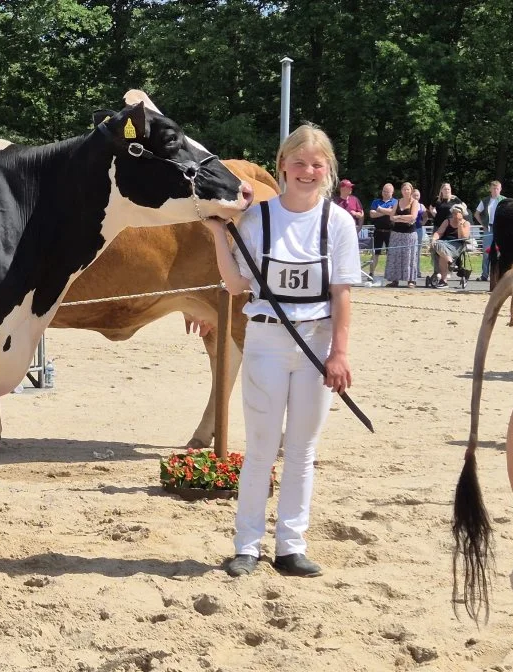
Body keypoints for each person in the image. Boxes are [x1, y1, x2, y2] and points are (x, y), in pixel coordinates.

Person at [201, 124, 359, 578]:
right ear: (282, 166)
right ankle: (247, 545)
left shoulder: (338, 222)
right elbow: (235, 285)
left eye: (316, 163)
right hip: (266, 340)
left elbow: (342, 294)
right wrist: (218, 234)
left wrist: (340, 354)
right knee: (261, 449)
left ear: (327, 169)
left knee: (303, 451)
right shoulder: (257, 220)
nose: (307, 171)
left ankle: (291, 544)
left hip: (316, 343)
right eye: (299, 162)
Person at [385, 182, 420, 288]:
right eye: (404, 189)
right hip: (396, 233)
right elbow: (391, 217)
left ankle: (411, 280)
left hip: (409, 234)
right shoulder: (398, 202)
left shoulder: (414, 202)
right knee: (395, 255)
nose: (406, 191)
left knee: (409, 256)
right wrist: (403, 218)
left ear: (411, 190)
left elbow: (413, 217)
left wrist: (399, 218)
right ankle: (394, 280)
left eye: (408, 189)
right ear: (401, 191)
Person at [430, 202, 471, 288]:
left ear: (462, 214)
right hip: (444, 243)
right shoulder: (447, 221)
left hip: (457, 245)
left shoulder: (466, 223)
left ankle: (444, 279)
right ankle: (450, 263)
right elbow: (439, 232)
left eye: (457, 213)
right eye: (453, 212)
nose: (455, 214)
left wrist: (460, 223)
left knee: (440, 249)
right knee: (438, 244)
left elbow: (462, 237)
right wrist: (434, 238)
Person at [475, 181, 504, 281]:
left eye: (497, 189)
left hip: (500, 228)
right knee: (486, 251)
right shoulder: (485, 200)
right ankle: (484, 274)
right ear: (490, 189)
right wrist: (483, 224)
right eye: (493, 188)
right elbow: (477, 213)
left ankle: (499, 274)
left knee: (500, 251)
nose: (495, 190)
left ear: (500, 189)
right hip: (489, 228)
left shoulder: (504, 200)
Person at [366, 183, 395, 280]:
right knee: (375, 253)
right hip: (378, 231)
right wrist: (386, 212)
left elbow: (393, 213)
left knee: (391, 254)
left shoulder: (395, 202)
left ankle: (391, 275)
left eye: (388, 191)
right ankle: (371, 273)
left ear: (392, 192)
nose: (386, 193)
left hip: (390, 231)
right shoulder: (376, 201)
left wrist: (380, 210)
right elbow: (372, 214)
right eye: (384, 191)